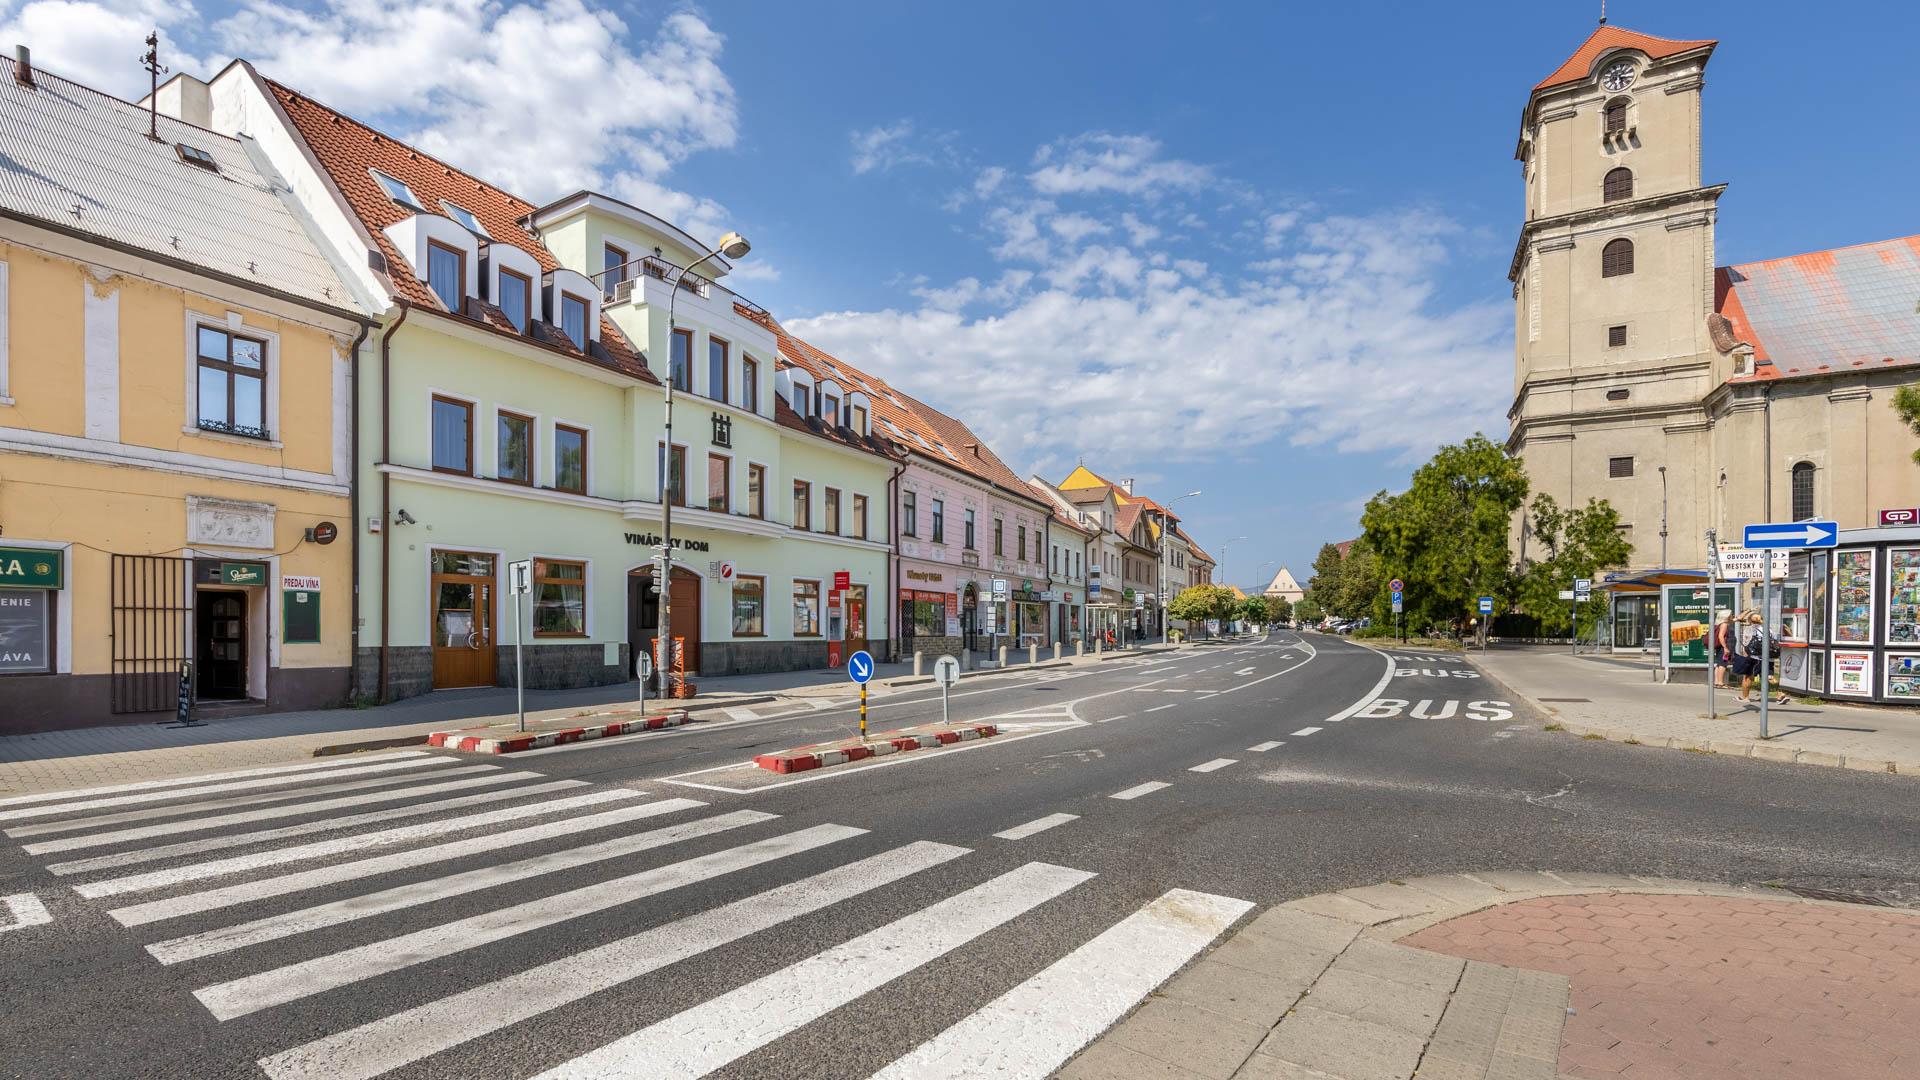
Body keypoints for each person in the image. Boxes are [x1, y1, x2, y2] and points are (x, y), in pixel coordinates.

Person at [1738, 610, 1789, 704]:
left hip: (1754, 657)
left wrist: (1746, 655)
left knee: (1748, 677)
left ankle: (1745, 697)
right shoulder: (1769, 629)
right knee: (1770, 677)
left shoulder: (1750, 629)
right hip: (1768, 657)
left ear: (1750, 620)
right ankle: (1780, 694)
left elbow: (1746, 643)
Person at [1711, 609, 1736, 689]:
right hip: (1724, 647)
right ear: (1726, 616)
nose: (1732, 616)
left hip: (1722, 647)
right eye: (1730, 614)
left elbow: (1737, 618)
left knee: (1719, 664)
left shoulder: (1723, 623)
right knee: (1723, 664)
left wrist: (1749, 610)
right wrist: (1725, 648)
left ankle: (1716, 682)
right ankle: (1720, 682)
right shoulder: (1724, 624)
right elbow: (1721, 636)